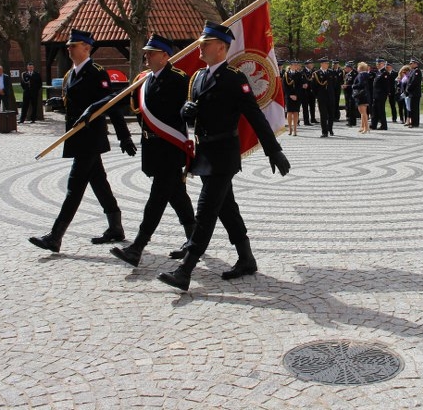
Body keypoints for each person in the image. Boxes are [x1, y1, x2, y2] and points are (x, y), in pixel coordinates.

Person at [157, 21, 290, 291]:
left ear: (221, 47)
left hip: (223, 156)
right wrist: (187, 112)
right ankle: (246, 258)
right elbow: (190, 109)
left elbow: (255, 116)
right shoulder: (198, 77)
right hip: (205, 153)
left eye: (204, 45)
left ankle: (185, 270)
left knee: (205, 212)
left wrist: (274, 151)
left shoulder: (234, 78)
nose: (200, 49)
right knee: (227, 209)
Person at [29, 29, 138, 254]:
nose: (69, 48)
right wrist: (60, 102)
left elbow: (111, 103)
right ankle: (115, 227)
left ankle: (55, 236)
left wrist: (124, 136)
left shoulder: (97, 72)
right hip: (76, 137)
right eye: (68, 46)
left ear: (87, 48)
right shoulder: (70, 74)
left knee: (74, 187)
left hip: (91, 138)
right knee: (98, 182)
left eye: (74, 45)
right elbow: (76, 102)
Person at [110, 35, 196, 267]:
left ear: (165, 56)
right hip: (152, 147)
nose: (146, 55)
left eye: (152, 52)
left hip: (170, 148)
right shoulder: (143, 80)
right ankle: (194, 239)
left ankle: (137, 247)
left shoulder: (179, 80)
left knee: (157, 198)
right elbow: (119, 100)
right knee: (177, 196)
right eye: (146, 51)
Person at [311, 57, 334, 137]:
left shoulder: (331, 72)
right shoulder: (316, 73)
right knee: (323, 115)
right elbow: (313, 87)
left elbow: (334, 85)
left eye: (328, 63)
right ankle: (324, 131)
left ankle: (330, 129)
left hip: (330, 96)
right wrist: (317, 96)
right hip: (322, 97)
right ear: (321, 64)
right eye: (326, 63)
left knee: (331, 114)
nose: (328, 65)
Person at [283, 59, 302, 136]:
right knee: (290, 112)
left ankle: (295, 129)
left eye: (296, 65)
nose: (295, 66)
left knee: (296, 112)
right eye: (294, 64)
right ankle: (290, 128)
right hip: (289, 96)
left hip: (297, 96)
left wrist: (296, 95)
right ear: (290, 66)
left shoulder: (299, 74)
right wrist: (290, 95)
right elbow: (285, 86)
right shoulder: (286, 74)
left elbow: (299, 86)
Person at [352, 61, 372, 133]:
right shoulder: (367, 74)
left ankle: (366, 128)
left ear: (360, 68)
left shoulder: (360, 75)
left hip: (361, 95)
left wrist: (354, 86)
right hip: (366, 94)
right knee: (364, 112)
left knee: (362, 112)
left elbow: (361, 84)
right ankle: (362, 126)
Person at [370, 59, 390, 130]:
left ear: (383, 64)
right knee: (374, 109)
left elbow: (386, 85)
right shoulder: (378, 72)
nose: (377, 65)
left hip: (381, 94)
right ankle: (373, 124)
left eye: (379, 64)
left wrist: (385, 94)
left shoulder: (385, 73)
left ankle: (383, 125)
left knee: (381, 110)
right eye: (376, 64)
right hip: (375, 94)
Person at [406, 58, 423, 127]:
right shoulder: (412, 71)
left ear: (416, 63)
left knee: (415, 109)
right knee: (412, 108)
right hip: (412, 93)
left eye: (412, 63)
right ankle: (413, 122)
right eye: (410, 63)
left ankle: (415, 123)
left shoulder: (417, 71)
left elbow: (414, 82)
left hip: (415, 93)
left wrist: (408, 89)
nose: (410, 65)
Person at [343, 61, 358, 127]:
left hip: (352, 92)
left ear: (350, 68)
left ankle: (352, 121)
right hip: (347, 93)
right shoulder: (347, 74)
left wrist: (347, 86)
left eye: (346, 67)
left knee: (351, 107)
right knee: (348, 107)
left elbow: (355, 84)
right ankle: (350, 120)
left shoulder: (355, 74)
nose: (345, 68)